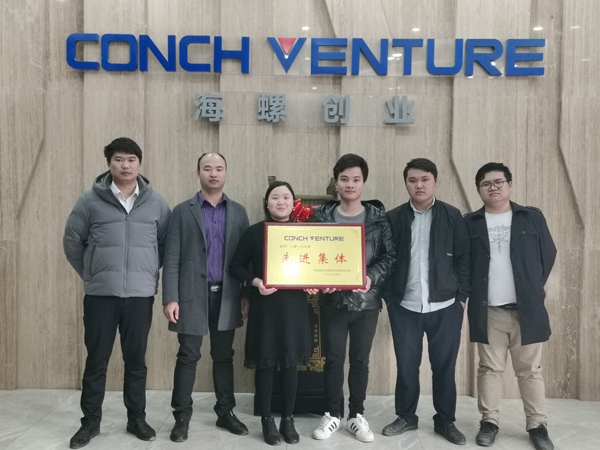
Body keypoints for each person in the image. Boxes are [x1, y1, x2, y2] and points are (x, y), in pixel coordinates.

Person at [63, 137, 171, 449]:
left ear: (140, 163)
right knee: (97, 360)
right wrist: (92, 273)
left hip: (139, 296)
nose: (125, 165)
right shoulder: (89, 201)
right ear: (109, 163)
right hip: (101, 296)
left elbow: (164, 244)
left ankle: (136, 417)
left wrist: (146, 270)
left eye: (131, 159)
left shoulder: (156, 203)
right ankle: (90, 422)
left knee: (136, 360)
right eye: (119, 159)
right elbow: (72, 242)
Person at [465, 163, 556, 450]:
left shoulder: (532, 217)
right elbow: (464, 264)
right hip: (489, 310)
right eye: (486, 184)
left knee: (530, 370)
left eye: (498, 182)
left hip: (526, 310)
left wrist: (530, 288)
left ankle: (537, 425)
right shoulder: (470, 223)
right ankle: (489, 422)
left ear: (510, 185)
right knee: (489, 369)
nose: (493, 187)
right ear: (479, 189)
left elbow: (547, 256)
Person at [162, 153, 250, 442]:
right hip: (191, 296)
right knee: (188, 356)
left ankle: (225, 412)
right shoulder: (182, 211)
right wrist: (170, 297)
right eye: (208, 168)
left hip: (228, 295)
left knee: (224, 356)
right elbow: (171, 258)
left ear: (226, 173)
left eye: (219, 168)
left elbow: (245, 260)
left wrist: (245, 294)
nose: (214, 173)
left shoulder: (238, 212)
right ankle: (181, 416)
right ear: (198, 172)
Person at [383, 158, 470, 445]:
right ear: (406, 183)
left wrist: (461, 298)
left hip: (446, 307)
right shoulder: (394, 217)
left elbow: (464, 260)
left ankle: (445, 421)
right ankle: (406, 417)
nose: (418, 185)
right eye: (412, 180)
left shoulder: (452, 215)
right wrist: (390, 299)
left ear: (435, 181)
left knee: (444, 367)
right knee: (407, 366)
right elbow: (385, 259)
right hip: (405, 306)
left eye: (424, 179)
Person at [310, 153, 396, 443]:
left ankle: (356, 416)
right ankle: (332, 414)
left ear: (363, 183)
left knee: (360, 361)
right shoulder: (322, 217)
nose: (350, 184)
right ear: (336, 182)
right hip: (332, 301)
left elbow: (389, 256)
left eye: (356, 179)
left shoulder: (377, 218)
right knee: (332, 360)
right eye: (344, 179)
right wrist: (318, 281)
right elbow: (312, 256)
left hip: (366, 302)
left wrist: (371, 277)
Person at [230, 181, 313, 446]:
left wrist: (314, 282)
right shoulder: (255, 232)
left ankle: (288, 420)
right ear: (267, 202)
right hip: (265, 307)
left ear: (293, 203)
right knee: (265, 363)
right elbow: (236, 266)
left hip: (294, 307)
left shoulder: (304, 233)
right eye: (275, 197)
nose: (281, 201)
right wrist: (256, 283)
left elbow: (313, 265)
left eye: (286, 197)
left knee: (290, 363)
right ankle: (267, 421)